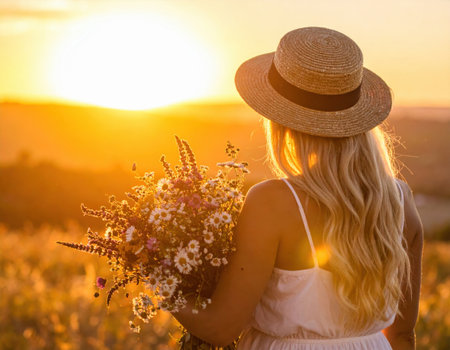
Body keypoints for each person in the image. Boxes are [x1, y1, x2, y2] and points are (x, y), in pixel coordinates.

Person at [172, 27, 423, 350]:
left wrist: (162, 285)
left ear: (280, 122)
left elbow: (220, 329)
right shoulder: (400, 200)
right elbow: (403, 335)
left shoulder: (273, 202)